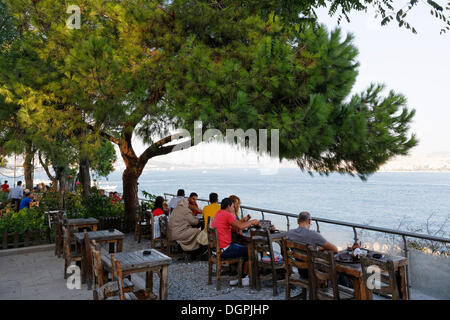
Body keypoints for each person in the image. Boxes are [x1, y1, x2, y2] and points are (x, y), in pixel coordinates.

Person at [210, 197, 260, 286]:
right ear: (229, 206)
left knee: (242, 247)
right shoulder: (227, 214)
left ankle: (238, 276)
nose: (233, 208)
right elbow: (240, 226)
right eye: (233, 206)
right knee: (250, 250)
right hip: (224, 250)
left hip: (215, 249)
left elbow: (232, 227)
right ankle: (244, 278)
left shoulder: (219, 213)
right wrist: (252, 222)